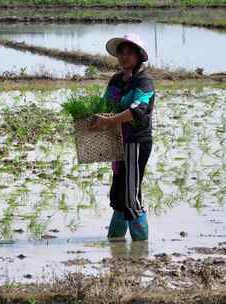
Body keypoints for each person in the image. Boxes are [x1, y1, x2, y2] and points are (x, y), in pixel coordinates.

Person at [88, 33, 155, 241]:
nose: (124, 57)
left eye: (129, 53)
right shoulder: (116, 80)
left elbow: (137, 111)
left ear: (138, 56)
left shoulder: (144, 81)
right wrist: (89, 117)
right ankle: (115, 242)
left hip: (136, 141)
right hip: (117, 140)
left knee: (130, 195)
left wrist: (108, 121)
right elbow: (105, 105)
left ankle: (140, 246)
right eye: (121, 53)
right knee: (118, 193)